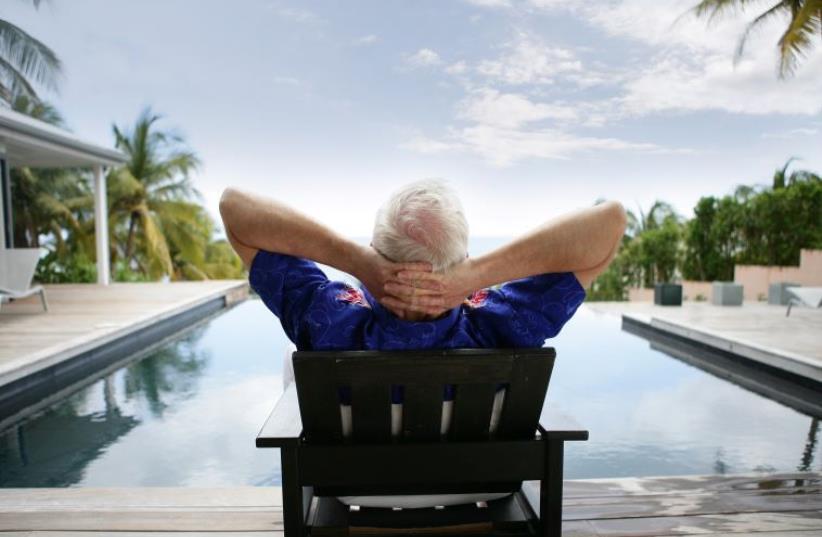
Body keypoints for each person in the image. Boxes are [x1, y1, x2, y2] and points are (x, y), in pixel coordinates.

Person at [220, 179, 625, 508]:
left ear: (377, 255)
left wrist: (357, 260)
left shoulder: (328, 320)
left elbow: (234, 207)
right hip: (485, 482)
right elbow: (610, 221)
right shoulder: (506, 323)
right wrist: (477, 274)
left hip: (350, 486)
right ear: (462, 258)